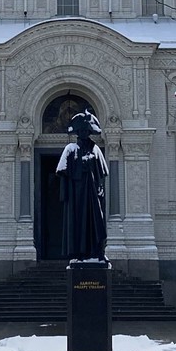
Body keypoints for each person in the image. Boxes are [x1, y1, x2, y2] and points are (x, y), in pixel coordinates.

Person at [56, 109, 108, 260]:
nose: (84, 133)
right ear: (78, 132)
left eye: (87, 131)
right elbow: (63, 172)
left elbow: (101, 172)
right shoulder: (70, 149)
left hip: (92, 194)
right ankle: (78, 253)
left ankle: (96, 252)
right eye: (82, 131)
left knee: (95, 222)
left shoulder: (95, 149)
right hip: (76, 195)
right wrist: (66, 194)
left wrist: (100, 188)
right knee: (77, 222)